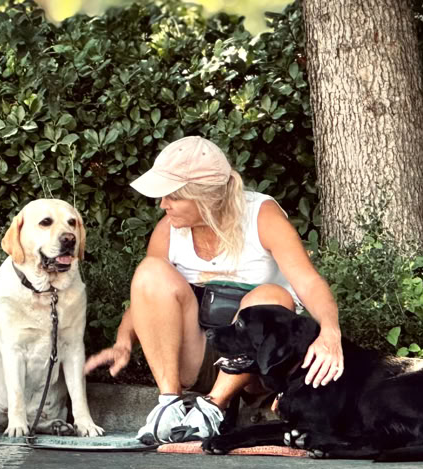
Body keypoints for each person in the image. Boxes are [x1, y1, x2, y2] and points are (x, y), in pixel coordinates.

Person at [84, 136, 343, 443]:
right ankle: (171, 405)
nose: (162, 205)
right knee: (150, 271)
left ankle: (213, 408)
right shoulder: (168, 230)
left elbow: (309, 282)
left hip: (259, 367)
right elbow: (146, 295)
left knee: (270, 298)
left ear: (205, 197)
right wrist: (123, 341)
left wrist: (330, 332)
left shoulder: (262, 216)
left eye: (172, 197)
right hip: (201, 354)